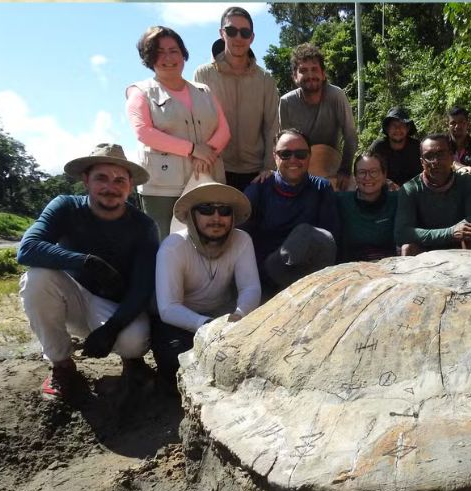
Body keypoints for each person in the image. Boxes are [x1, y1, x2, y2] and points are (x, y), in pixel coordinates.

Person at [17, 144, 159, 404]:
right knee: (36, 278)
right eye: (101, 178)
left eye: (119, 180)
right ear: (86, 180)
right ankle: (62, 366)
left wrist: (112, 329)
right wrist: (87, 262)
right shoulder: (65, 207)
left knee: (134, 343)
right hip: (71, 294)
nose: (110, 187)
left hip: (115, 305)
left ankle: (132, 362)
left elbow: (142, 286)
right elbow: (27, 249)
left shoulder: (144, 226)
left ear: (129, 186)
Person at [153, 181, 260, 391]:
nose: (216, 218)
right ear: (193, 216)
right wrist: (208, 326)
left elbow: (250, 288)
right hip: (183, 322)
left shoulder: (242, 240)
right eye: (206, 210)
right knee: (174, 360)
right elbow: (168, 308)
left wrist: (239, 315)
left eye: (224, 211)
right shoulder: (173, 247)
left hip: (225, 317)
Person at [127, 26, 230, 239]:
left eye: (173, 50)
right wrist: (193, 150)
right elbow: (144, 132)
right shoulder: (139, 92)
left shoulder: (205, 90)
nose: (168, 57)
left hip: (208, 179)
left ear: (183, 53)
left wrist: (207, 152)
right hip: (162, 188)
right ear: (148, 58)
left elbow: (224, 129)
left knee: (210, 242)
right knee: (166, 245)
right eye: (159, 51)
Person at [241, 129, 340, 297]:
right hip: (268, 277)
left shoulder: (321, 188)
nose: (293, 159)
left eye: (300, 154)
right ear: (275, 156)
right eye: (285, 154)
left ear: (309, 156)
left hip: (311, 280)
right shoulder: (258, 189)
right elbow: (241, 239)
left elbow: (332, 240)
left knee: (307, 234)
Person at [193, 7, 280, 192]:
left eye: (245, 32)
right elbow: (196, 123)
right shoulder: (204, 74)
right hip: (216, 168)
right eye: (231, 31)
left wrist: (269, 167)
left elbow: (272, 126)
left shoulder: (266, 80)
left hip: (257, 174)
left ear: (252, 37)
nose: (238, 38)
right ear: (222, 33)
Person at [279, 43, 358, 191]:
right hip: (300, 167)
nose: (310, 75)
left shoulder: (336, 96)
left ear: (323, 74)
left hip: (333, 166)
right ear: (295, 77)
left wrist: (345, 170)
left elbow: (351, 136)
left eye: (314, 69)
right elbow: (285, 144)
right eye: (303, 70)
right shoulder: (286, 102)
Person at [395, 134, 471, 255]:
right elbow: (402, 233)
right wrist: (450, 233)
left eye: (441, 154)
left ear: (451, 156)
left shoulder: (466, 182)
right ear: (422, 162)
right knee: (407, 248)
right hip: (426, 247)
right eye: (429, 156)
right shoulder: (409, 189)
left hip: (460, 244)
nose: (435, 161)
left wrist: (456, 233)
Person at [337, 152, 398, 262]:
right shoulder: (341, 201)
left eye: (374, 172)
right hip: (350, 268)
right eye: (362, 172)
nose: (367, 177)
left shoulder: (397, 201)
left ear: (384, 175)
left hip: (390, 266)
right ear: (355, 177)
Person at [369, 107, 422, 190]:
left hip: (414, 192)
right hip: (384, 192)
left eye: (401, 125)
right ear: (387, 128)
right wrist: (385, 182)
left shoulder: (417, 147)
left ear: (407, 128)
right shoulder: (378, 147)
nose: (397, 129)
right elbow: (369, 170)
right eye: (394, 125)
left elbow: (426, 173)